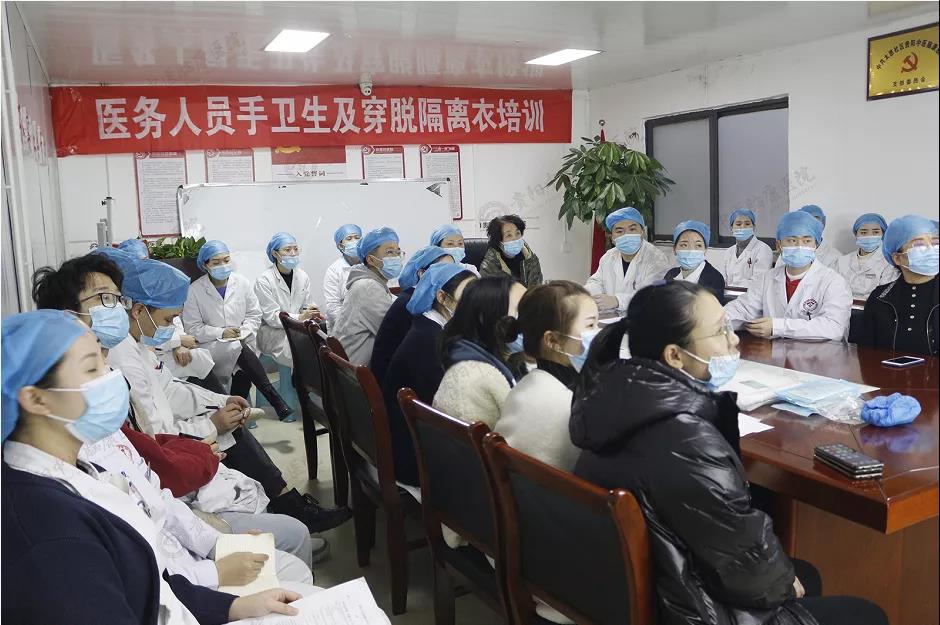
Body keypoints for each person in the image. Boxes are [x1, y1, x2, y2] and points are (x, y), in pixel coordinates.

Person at [571, 282, 888, 625]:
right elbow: (749, 571)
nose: (734, 339)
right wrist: (782, 583)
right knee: (866, 613)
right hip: (688, 606)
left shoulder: (617, 396)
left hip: (641, 585)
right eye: (720, 331)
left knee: (803, 573)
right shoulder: (685, 438)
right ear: (675, 356)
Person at [1, 310, 310, 624]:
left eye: (104, 360)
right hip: (181, 592)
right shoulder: (47, 531)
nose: (110, 377)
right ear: (37, 400)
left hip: (181, 590)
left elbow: (147, 580)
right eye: (91, 369)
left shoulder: (79, 468)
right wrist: (214, 573)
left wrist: (231, 605)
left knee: (299, 596)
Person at [98, 256, 349, 534]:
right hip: (161, 448)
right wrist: (211, 425)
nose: (172, 325)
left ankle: (286, 506)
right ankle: (288, 509)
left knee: (229, 393)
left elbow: (168, 388)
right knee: (230, 426)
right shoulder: (123, 356)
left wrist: (221, 402)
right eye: (168, 319)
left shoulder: (136, 345)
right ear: (138, 310)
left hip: (217, 356)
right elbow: (153, 430)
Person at [382, 264, 476, 486]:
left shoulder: (428, 327)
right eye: (467, 297)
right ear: (441, 297)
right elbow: (450, 409)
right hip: (417, 459)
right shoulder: (428, 342)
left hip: (416, 444)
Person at [183, 240, 294, 419]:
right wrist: (221, 333)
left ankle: (236, 414)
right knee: (238, 350)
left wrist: (243, 331)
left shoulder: (242, 283)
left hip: (243, 340)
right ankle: (274, 399)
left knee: (241, 361)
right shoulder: (194, 291)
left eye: (226, 260)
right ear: (205, 265)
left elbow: (254, 314)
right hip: (211, 346)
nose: (223, 265)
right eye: (216, 262)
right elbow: (193, 328)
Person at [495, 281, 598, 472]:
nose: (598, 334)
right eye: (590, 325)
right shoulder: (574, 406)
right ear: (552, 340)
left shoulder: (524, 385)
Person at [725, 211, 852, 341]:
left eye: (807, 241)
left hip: (820, 352)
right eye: (791, 240)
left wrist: (777, 327)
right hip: (773, 350)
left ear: (816, 245)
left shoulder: (834, 282)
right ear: (779, 245)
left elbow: (834, 327)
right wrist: (718, 319)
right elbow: (743, 309)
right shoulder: (767, 279)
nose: (799, 246)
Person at [433, 275, 527, 427]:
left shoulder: (471, 352)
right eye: (521, 311)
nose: (532, 319)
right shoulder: (479, 376)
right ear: (488, 318)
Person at [369, 245, 453, 384]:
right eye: (443, 269)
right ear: (422, 273)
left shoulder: (421, 298)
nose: (451, 275)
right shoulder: (412, 304)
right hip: (396, 385)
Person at [860, 215, 939, 356]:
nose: (931, 250)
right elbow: (867, 354)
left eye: (936, 244)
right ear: (897, 258)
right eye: (919, 245)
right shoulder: (880, 298)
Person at [330, 226, 402, 365]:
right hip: (357, 371)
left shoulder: (371, 283)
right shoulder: (368, 287)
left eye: (398, 252)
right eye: (389, 252)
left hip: (351, 365)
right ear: (371, 260)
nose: (396, 257)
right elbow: (395, 331)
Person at [254, 232, 320, 369]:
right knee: (300, 349)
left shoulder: (302, 276)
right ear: (275, 254)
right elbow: (272, 317)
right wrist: (300, 317)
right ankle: (299, 381)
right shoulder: (264, 280)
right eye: (287, 249)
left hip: (298, 327)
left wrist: (312, 312)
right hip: (273, 332)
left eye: (295, 249)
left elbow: (306, 305)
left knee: (321, 341)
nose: (293, 253)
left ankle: (312, 380)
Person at [585, 206, 671, 311]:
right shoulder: (609, 257)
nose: (626, 235)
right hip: (613, 316)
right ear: (612, 238)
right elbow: (596, 282)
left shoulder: (656, 259)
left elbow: (651, 294)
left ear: (642, 232)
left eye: (632, 229)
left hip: (644, 316)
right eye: (619, 231)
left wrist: (617, 301)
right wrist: (587, 294)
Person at [836, 213, 899, 299]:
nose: (869, 236)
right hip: (842, 305)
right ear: (856, 235)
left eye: (875, 232)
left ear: (883, 235)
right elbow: (835, 289)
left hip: (874, 306)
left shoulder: (889, 262)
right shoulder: (842, 261)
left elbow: (886, 294)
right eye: (863, 232)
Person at [664, 220, 726, 303]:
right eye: (684, 245)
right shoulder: (670, 274)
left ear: (705, 250)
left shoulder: (714, 279)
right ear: (674, 249)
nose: (691, 251)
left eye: (698, 245)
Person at [479, 214, 543, 287]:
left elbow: (537, 287)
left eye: (517, 233)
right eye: (509, 235)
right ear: (499, 242)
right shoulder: (489, 267)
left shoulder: (529, 258)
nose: (515, 238)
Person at [773, 205, 841, 269]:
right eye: (805, 221)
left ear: (823, 223)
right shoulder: (787, 252)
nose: (810, 225)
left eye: (815, 219)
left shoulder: (834, 257)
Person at [720, 208, 774, 288]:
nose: (743, 227)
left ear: (754, 227)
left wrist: (732, 287)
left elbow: (758, 282)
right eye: (738, 224)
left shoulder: (763, 249)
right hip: (728, 293)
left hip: (752, 294)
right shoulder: (729, 252)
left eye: (747, 224)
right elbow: (722, 279)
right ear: (731, 229)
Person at [322, 223, 362, 328]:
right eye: (349, 238)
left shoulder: (370, 264)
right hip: (344, 328)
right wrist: (353, 325)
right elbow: (333, 307)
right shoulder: (334, 271)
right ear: (340, 246)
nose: (354, 241)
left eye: (357, 237)